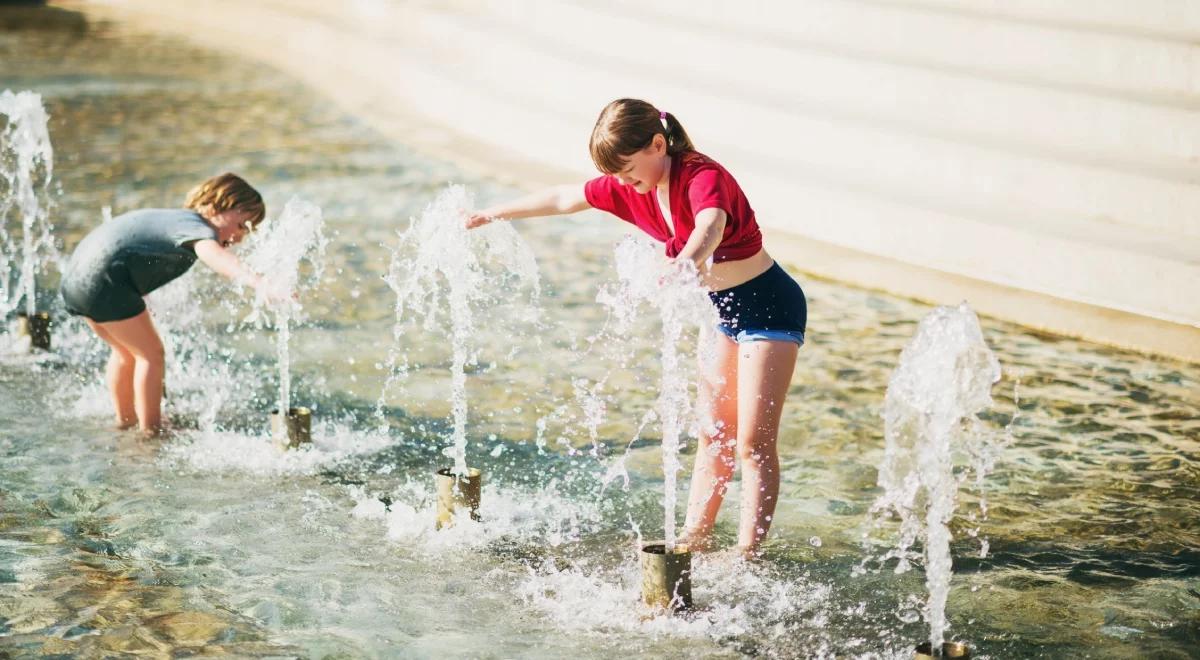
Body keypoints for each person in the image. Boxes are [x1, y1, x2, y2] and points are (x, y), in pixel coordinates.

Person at [466, 98, 807, 558]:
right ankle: (695, 539)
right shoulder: (631, 187)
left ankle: (749, 554)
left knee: (752, 442)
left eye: (629, 171)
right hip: (722, 312)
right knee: (713, 433)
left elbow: (711, 223)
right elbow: (565, 198)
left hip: (769, 310)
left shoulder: (702, 175)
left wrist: (686, 261)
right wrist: (494, 212)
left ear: (658, 144)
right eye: (619, 177)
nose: (626, 184)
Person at [61, 172, 281, 436]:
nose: (241, 236)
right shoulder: (199, 227)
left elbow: (130, 246)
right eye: (241, 225)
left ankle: (125, 421)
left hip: (78, 280)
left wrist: (139, 295)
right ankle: (150, 433)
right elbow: (213, 255)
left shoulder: (176, 221)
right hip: (105, 281)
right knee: (151, 355)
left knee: (126, 353)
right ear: (214, 207)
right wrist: (258, 282)